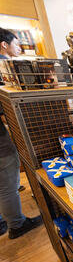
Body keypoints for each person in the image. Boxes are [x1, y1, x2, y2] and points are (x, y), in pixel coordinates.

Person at [0, 28, 43, 239]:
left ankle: (2, 221)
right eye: (17, 44)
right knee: (7, 181)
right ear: (4, 45)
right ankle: (17, 225)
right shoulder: (3, 68)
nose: (19, 48)